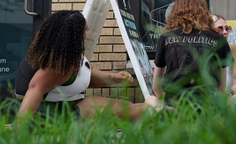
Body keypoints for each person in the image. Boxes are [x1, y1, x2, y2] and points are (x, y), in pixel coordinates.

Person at [15, 10, 161, 120]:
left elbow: (87, 73)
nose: (86, 34)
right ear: (73, 35)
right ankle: (168, 112)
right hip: (55, 112)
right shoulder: (59, 65)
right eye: (84, 31)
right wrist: (19, 131)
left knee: (130, 108)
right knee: (133, 113)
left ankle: (166, 110)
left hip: (74, 100)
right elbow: (35, 89)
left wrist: (114, 78)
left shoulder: (73, 53)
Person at [153, 0, 232, 104]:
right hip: (208, 109)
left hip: (175, 109)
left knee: (151, 101)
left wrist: (168, 101)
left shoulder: (166, 38)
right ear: (204, 9)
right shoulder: (218, 39)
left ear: (176, 10)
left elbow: (156, 87)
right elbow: (221, 88)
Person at [212, 14, 236, 96]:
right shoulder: (203, 51)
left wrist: (226, 94)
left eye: (227, 28)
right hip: (209, 98)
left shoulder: (234, 51)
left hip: (228, 96)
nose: (225, 32)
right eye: (220, 28)